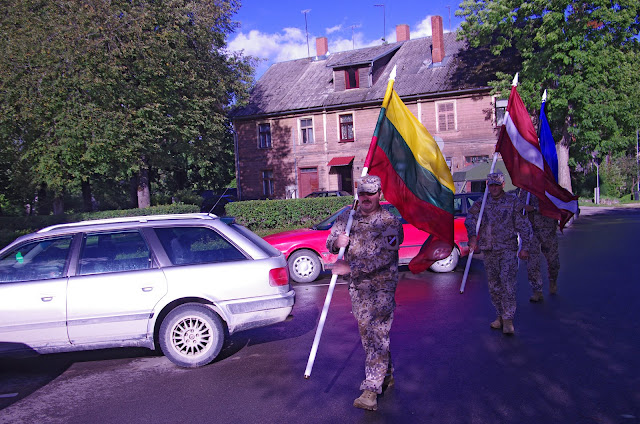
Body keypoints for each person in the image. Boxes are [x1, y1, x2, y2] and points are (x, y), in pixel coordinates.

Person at [326, 175, 404, 411]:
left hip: (381, 287)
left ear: (379, 194)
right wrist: (337, 242)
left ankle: (371, 389)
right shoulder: (347, 217)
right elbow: (329, 241)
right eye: (362, 193)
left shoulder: (390, 222)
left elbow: (385, 257)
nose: (366, 198)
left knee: (377, 334)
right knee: (368, 334)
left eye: (371, 193)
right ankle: (385, 372)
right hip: (358, 288)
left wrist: (350, 267)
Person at [464, 172, 533, 335]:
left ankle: (508, 319)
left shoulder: (512, 201)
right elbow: (470, 219)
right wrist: (472, 236)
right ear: (488, 186)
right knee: (494, 286)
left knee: (507, 284)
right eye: (491, 185)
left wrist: (525, 247)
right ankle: (500, 315)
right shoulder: (482, 202)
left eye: (497, 185)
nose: (494, 188)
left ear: (503, 185)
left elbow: (523, 225)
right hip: (489, 251)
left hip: (507, 249)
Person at [517, 189, 560, 301]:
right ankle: (537, 290)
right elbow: (520, 206)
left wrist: (535, 208)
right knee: (532, 263)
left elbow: (555, 207)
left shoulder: (549, 188)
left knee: (553, 261)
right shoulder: (525, 190)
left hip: (547, 230)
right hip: (531, 230)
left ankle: (553, 280)